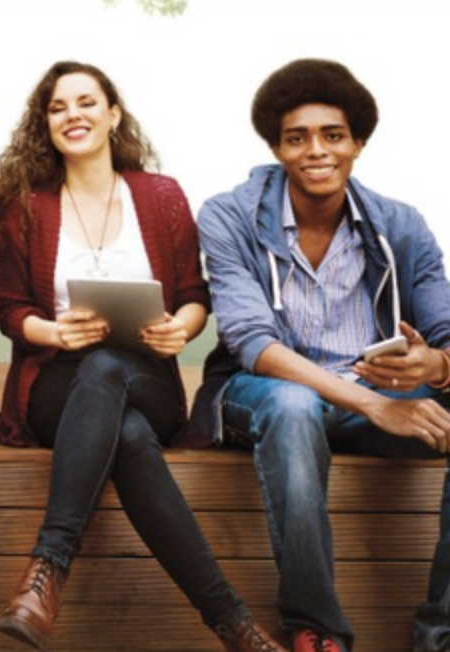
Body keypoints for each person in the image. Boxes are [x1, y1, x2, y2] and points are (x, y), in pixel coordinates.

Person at [0, 60, 286, 652]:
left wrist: (182, 329)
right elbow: (10, 310)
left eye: (86, 102)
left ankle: (47, 568)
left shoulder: (161, 197)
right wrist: (54, 332)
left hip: (149, 379)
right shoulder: (27, 206)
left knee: (111, 373)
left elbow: (196, 297)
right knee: (124, 429)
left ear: (113, 114)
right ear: (44, 124)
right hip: (55, 385)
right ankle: (236, 625)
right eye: (58, 106)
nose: (73, 115)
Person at [190, 57, 450, 652]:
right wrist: (378, 406)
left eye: (333, 135)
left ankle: (441, 633)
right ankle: (315, 629)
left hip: (370, 396)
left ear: (358, 142)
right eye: (297, 137)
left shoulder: (401, 226)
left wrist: (434, 367)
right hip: (262, 393)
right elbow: (253, 342)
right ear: (277, 148)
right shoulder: (229, 215)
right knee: (293, 405)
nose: (317, 151)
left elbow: (444, 327)